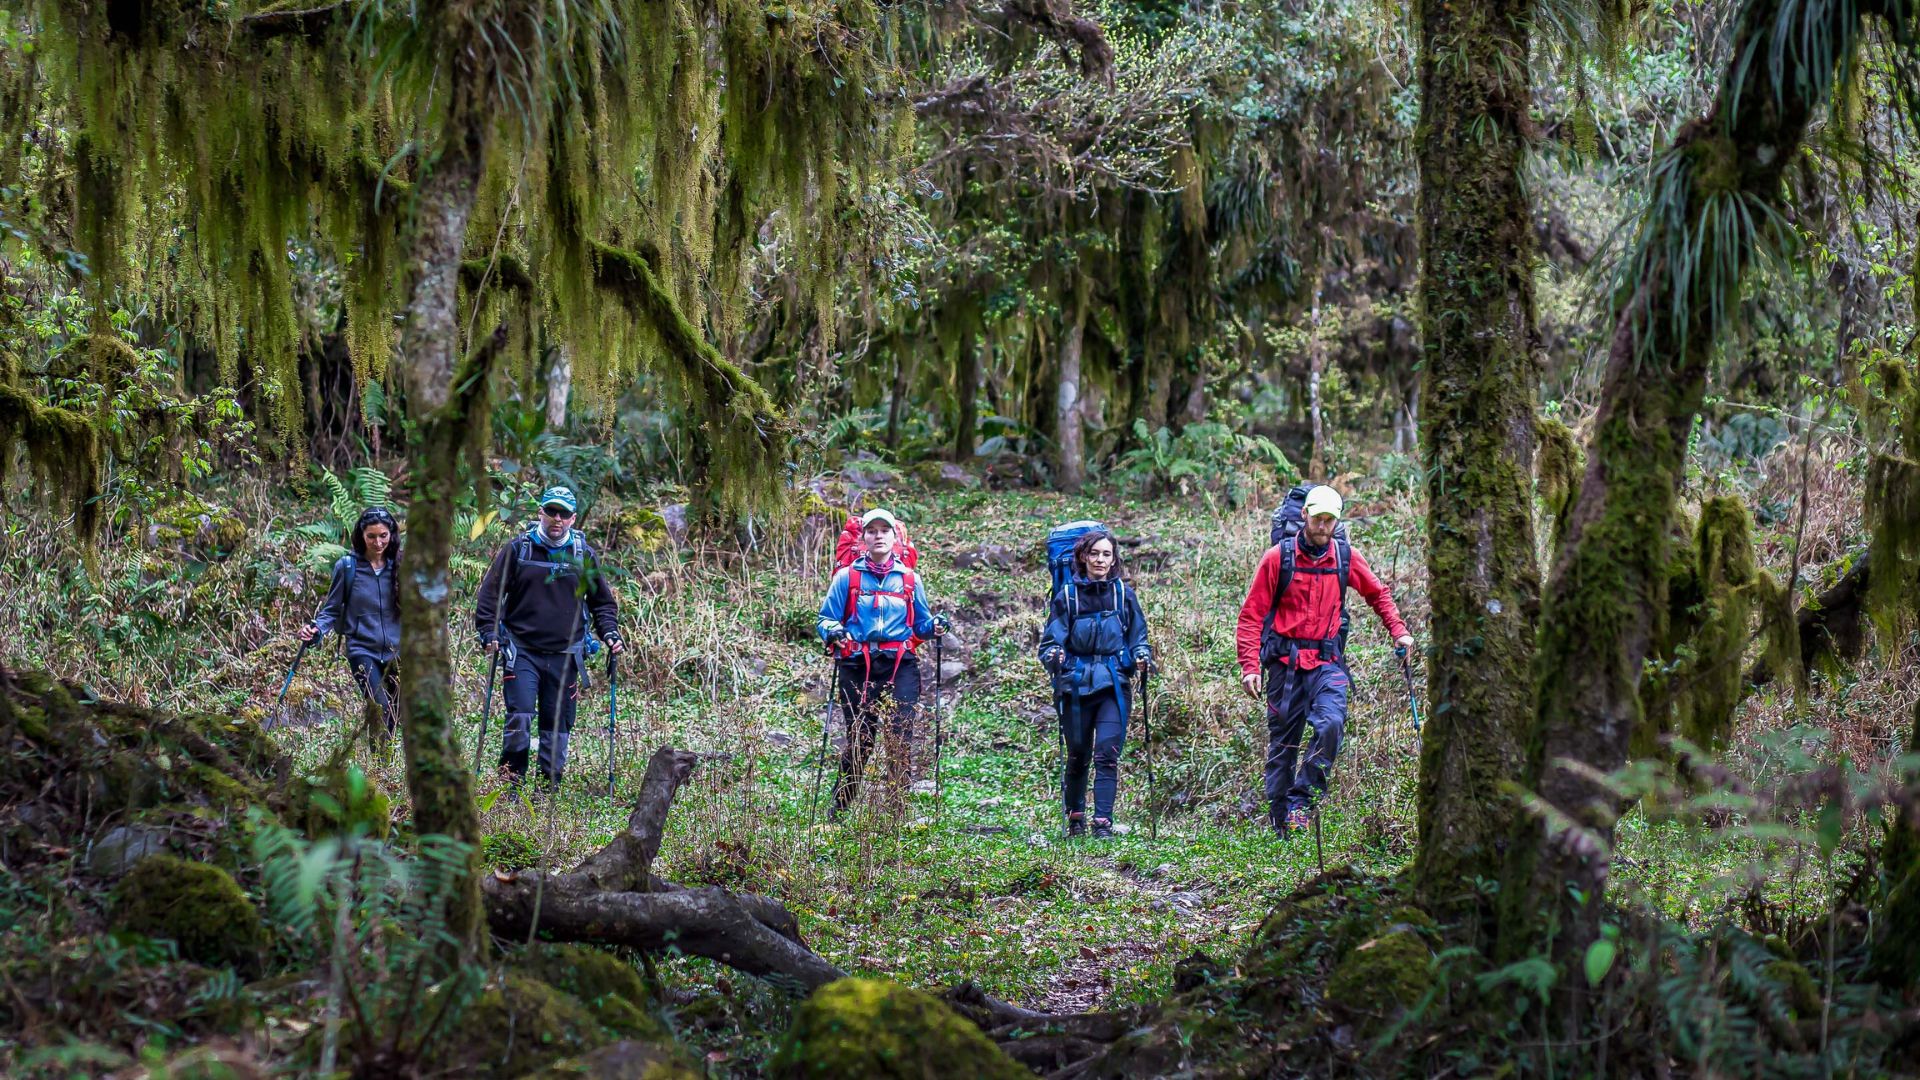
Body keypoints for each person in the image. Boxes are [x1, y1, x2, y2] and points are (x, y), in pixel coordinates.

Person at [1235, 485, 1412, 836]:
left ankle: (1302, 802)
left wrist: (1399, 630)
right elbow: (1251, 615)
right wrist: (1250, 666)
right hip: (1285, 665)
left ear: (1336, 522)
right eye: (1318, 518)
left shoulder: (1346, 557)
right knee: (1283, 748)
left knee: (1331, 725)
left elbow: (1378, 593)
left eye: (1330, 519)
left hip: (1327, 662)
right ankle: (1281, 826)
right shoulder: (1278, 558)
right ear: (1305, 516)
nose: (1322, 525)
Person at [473, 486, 624, 788]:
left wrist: (610, 632)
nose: (557, 519)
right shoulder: (518, 550)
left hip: (566, 654)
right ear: (540, 513)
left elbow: (602, 603)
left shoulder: (584, 556)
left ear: (573, 519)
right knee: (520, 716)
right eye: (551, 511)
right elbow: (490, 595)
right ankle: (511, 784)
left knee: (557, 727)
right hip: (522, 650)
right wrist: (488, 631)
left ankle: (547, 787)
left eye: (563, 514)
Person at [817, 508, 946, 815]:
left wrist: (936, 626)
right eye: (872, 531)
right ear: (863, 539)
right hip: (856, 663)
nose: (878, 536)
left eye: (884, 531)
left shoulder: (911, 580)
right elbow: (826, 618)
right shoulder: (847, 578)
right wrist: (834, 632)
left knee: (900, 733)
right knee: (861, 737)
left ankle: (897, 808)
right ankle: (842, 804)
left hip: (900, 663)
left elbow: (921, 626)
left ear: (894, 537)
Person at [1039, 528, 1153, 838]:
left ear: (1114, 558)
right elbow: (1050, 641)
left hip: (1112, 684)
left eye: (1106, 554)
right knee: (1078, 753)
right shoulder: (1067, 597)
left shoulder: (1123, 595)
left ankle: (1103, 822)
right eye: (1094, 554)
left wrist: (1142, 655)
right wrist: (1055, 655)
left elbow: (1137, 637)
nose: (1100, 559)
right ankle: (1075, 817)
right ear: (1082, 557)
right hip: (1075, 685)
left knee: (1107, 752)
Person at [303, 507, 404, 741]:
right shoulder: (347, 567)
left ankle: (385, 767)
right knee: (380, 709)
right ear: (361, 535)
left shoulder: (402, 565)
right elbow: (331, 609)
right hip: (362, 650)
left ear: (392, 535)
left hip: (398, 650)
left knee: (399, 712)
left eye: (383, 536)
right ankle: (380, 768)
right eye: (371, 536)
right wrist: (316, 631)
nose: (378, 542)